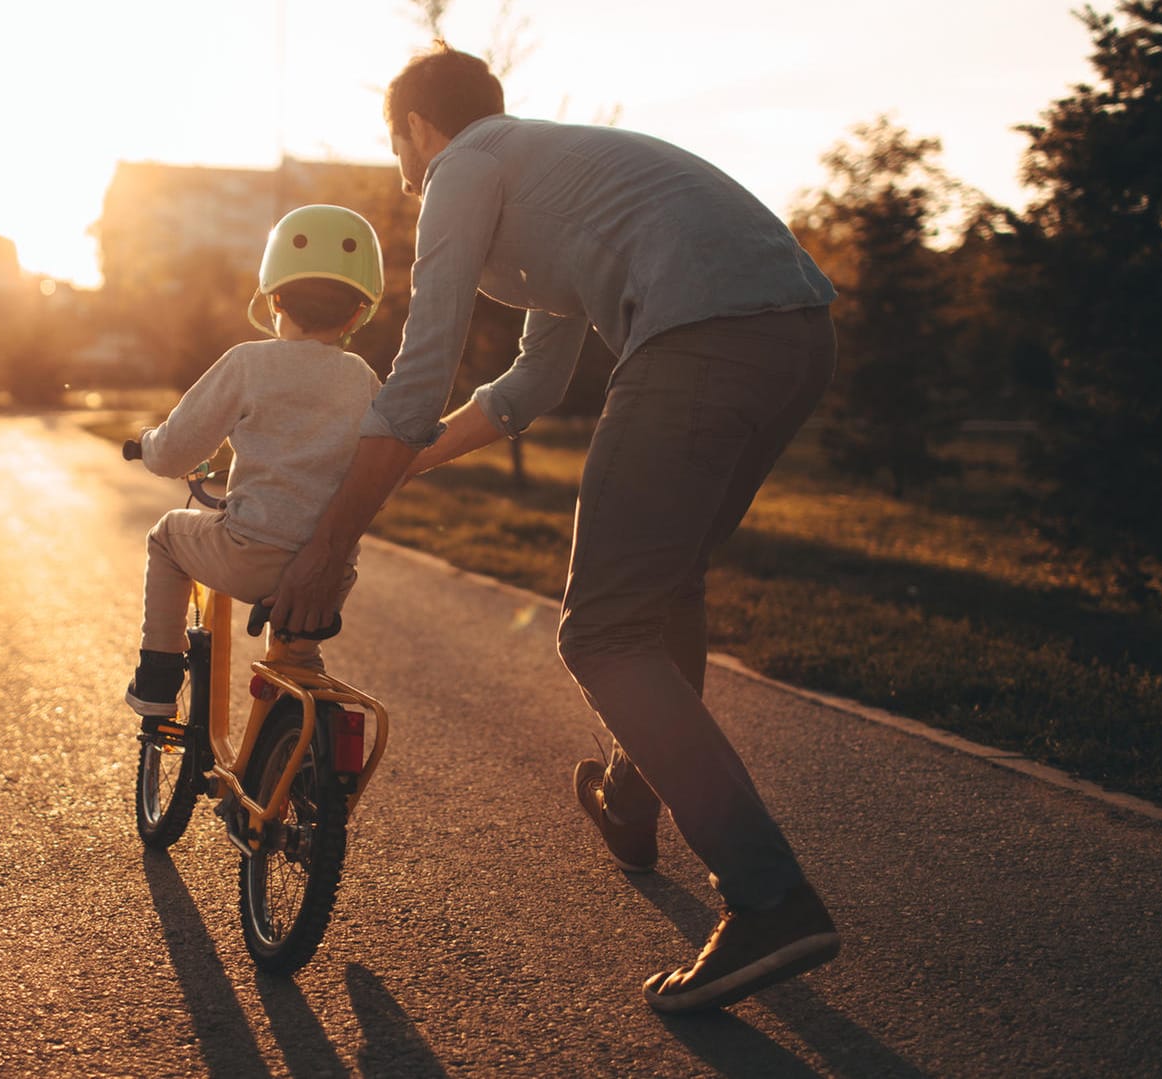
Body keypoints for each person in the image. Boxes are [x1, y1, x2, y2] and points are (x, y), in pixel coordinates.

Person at [265, 43, 842, 1013]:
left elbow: (419, 375)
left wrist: (331, 538)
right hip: (796, 335)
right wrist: (394, 468)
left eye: (394, 142)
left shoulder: (465, 167)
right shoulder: (552, 174)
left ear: (414, 128)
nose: (402, 168)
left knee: (599, 630)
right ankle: (631, 794)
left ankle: (769, 894)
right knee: (663, 594)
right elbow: (529, 385)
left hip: (699, 340)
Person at [125, 204, 385, 733]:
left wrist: (150, 447)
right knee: (298, 664)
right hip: (329, 575)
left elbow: (175, 451)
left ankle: (157, 680)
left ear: (274, 298)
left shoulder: (249, 363)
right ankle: (296, 750)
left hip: (249, 557)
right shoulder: (362, 378)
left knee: (167, 537)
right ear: (358, 313)